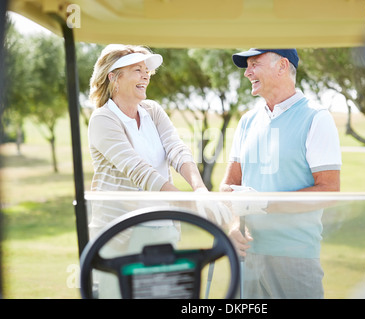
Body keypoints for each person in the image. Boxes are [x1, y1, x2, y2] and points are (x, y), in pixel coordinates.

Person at [87, 44, 216, 297]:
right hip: (119, 235)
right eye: (137, 70)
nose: (146, 75)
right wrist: (192, 205)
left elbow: (177, 150)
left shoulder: (152, 111)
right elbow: (139, 171)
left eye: (147, 70)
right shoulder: (103, 120)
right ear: (114, 77)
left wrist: (200, 189)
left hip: (163, 227)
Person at [220, 48, 342, 298]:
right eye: (247, 66)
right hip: (248, 257)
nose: (247, 73)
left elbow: (329, 190)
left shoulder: (316, 118)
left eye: (255, 64)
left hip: (295, 257)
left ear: (282, 66)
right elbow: (229, 185)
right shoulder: (247, 121)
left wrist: (265, 203)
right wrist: (233, 224)